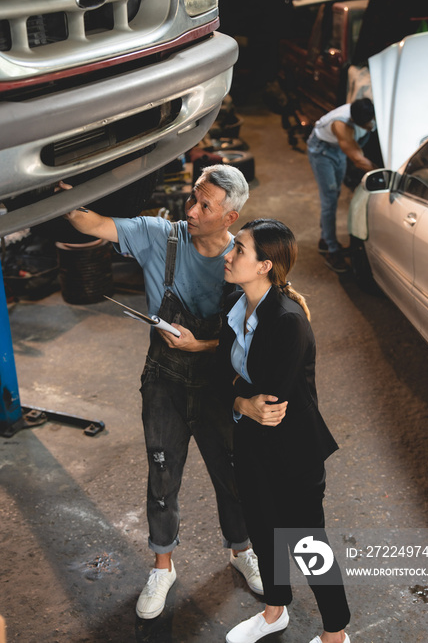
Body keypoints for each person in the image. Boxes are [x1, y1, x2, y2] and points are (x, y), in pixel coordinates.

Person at [60, 165, 263, 620]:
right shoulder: (160, 236)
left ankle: (241, 550)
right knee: (162, 473)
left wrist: (203, 344)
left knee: (232, 475)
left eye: (204, 205)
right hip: (164, 381)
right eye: (192, 198)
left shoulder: (242, 260)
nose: (190, 210)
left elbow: (252, 336)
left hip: (219, 385)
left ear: (229, 217)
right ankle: (163, 566)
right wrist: (57, 190)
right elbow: (89, 223)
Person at [214, 218, 351, 643]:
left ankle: (336, 634)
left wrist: (237, 394)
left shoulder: (287, 321)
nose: (228, 254)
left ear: (264, 266)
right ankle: (274, 612)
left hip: (293, 453)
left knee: (309, 545)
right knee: (264, 530)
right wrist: (239, 400)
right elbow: (222, 375)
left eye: (238, 249)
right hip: (251, 443)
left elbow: (269, 399)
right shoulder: (234, 306)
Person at [307, 97, 378, 273]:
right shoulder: (341, 125)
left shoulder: (368, 111)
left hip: (338, 148)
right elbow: (357, 159)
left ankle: (325, 240)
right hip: (322, 151)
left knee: (335, 194)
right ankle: (332, 250)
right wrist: (382, 172)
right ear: (355, 121)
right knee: (329, 199)